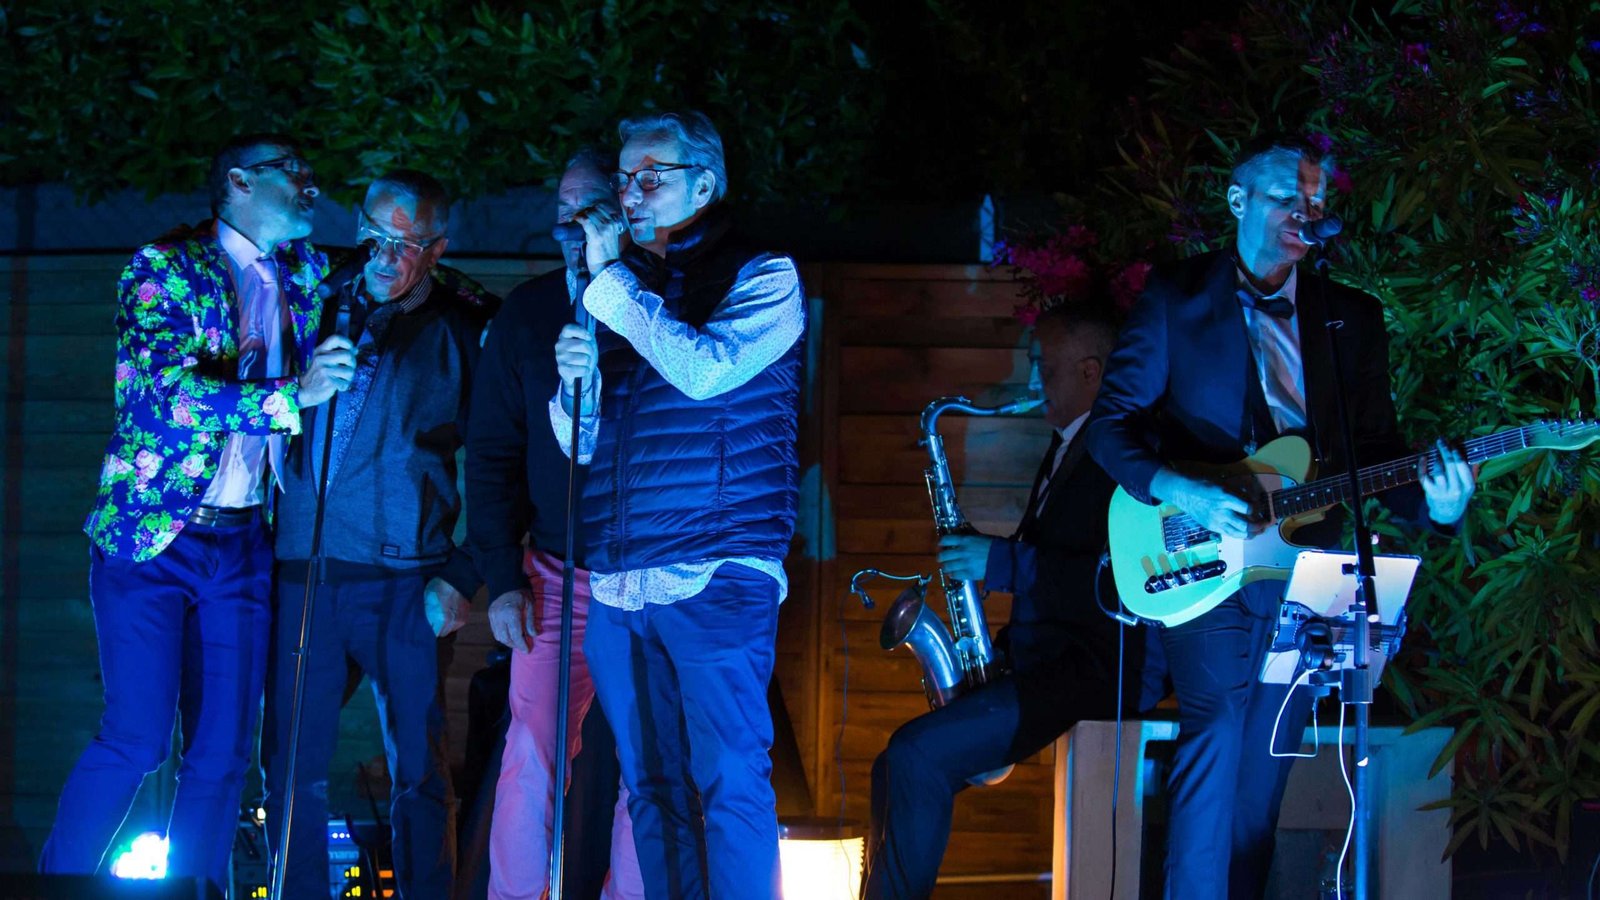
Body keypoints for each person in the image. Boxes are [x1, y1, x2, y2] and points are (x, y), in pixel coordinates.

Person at [1084, 135, 1476, 899]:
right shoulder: (1177, 299)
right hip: (1203, 550)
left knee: (1268, 763)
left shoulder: (1348, 317)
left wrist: (1439, 505)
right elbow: (1109, 428)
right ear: (1238, 201)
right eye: (1285, 197)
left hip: (1309, 564)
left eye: (1317, 200)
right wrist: (1185, 492)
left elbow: (1374, 452)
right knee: (1216, 727)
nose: (1306, 210)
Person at [43, 134, 352, 892]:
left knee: (223, 751)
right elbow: (162, 396)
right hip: (153, 538)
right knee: (137, 737)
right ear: (240, 182)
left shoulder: (306, 272)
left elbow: (407, 275)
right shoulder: (166, 267)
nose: (310, 185)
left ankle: (199, 890)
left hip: (244, 540)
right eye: (293, 172)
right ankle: (55, 884)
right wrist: (293, 395)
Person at [553, 110, 805, 900]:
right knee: (650, 788)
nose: (631, 194)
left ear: (706, 183)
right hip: (622, 576)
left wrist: (611, 289)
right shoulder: (617, 286)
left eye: (651, 177)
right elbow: (578, 443)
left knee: (730, 776)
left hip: (717, 565)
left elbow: (706, 372)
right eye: (625, 178)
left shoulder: (763, 275)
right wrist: (573, 383)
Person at [261, 169, 497, 899]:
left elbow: (504, 463)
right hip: (303, 572)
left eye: (407, 243)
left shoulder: (464, 328)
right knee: (291, 762)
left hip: (406, 579)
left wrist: (463, 573)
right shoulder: (313, 300)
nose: (385, 255)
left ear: (437, 248)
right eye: (374, 234)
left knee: (418, 769)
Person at [861, 303, 1147, 899]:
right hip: (1043, 662)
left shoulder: (1121, 453)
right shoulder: (1070, 444)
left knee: (915, 756)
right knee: (891, 764)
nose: (1035, 379)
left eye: (1046, 366)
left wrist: (998, 561)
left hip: (1091, 669)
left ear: (1091, 371)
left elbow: (1118, 580)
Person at [466, 148, 643, 900]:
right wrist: (501, 578)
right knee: (531, 746)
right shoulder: (528, 313)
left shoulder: (657, 307)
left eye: (589, 209)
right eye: (562, 211)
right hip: (556, 572)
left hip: (647, 574)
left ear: (626, 213)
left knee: (646, 761)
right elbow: (491, 453)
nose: (572, 226)